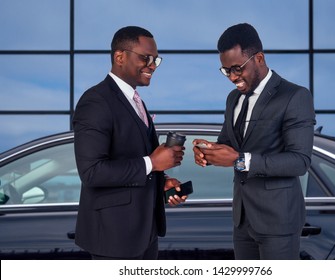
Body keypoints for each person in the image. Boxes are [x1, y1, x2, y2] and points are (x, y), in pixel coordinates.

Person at [193, 23, 316, 260]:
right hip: (242, 218)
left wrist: (240, 160)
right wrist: (208, 152)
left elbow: (299, 161)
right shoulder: (233, 99)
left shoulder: (294, 96)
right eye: (226, 70)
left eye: (237, 68)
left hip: (278, 221)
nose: (232, 77)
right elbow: (228, 143)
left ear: (259, 58)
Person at [73, 26, 186, 260]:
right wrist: (152, 164)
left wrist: (161, 182)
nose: (153, 65)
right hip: (115, 239)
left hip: (145, 234)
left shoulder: (137, 102)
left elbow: (131, 158)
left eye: (156, 59)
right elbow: (92, 172)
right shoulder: (96, 101)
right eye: (146, 58)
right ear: (120, 57)